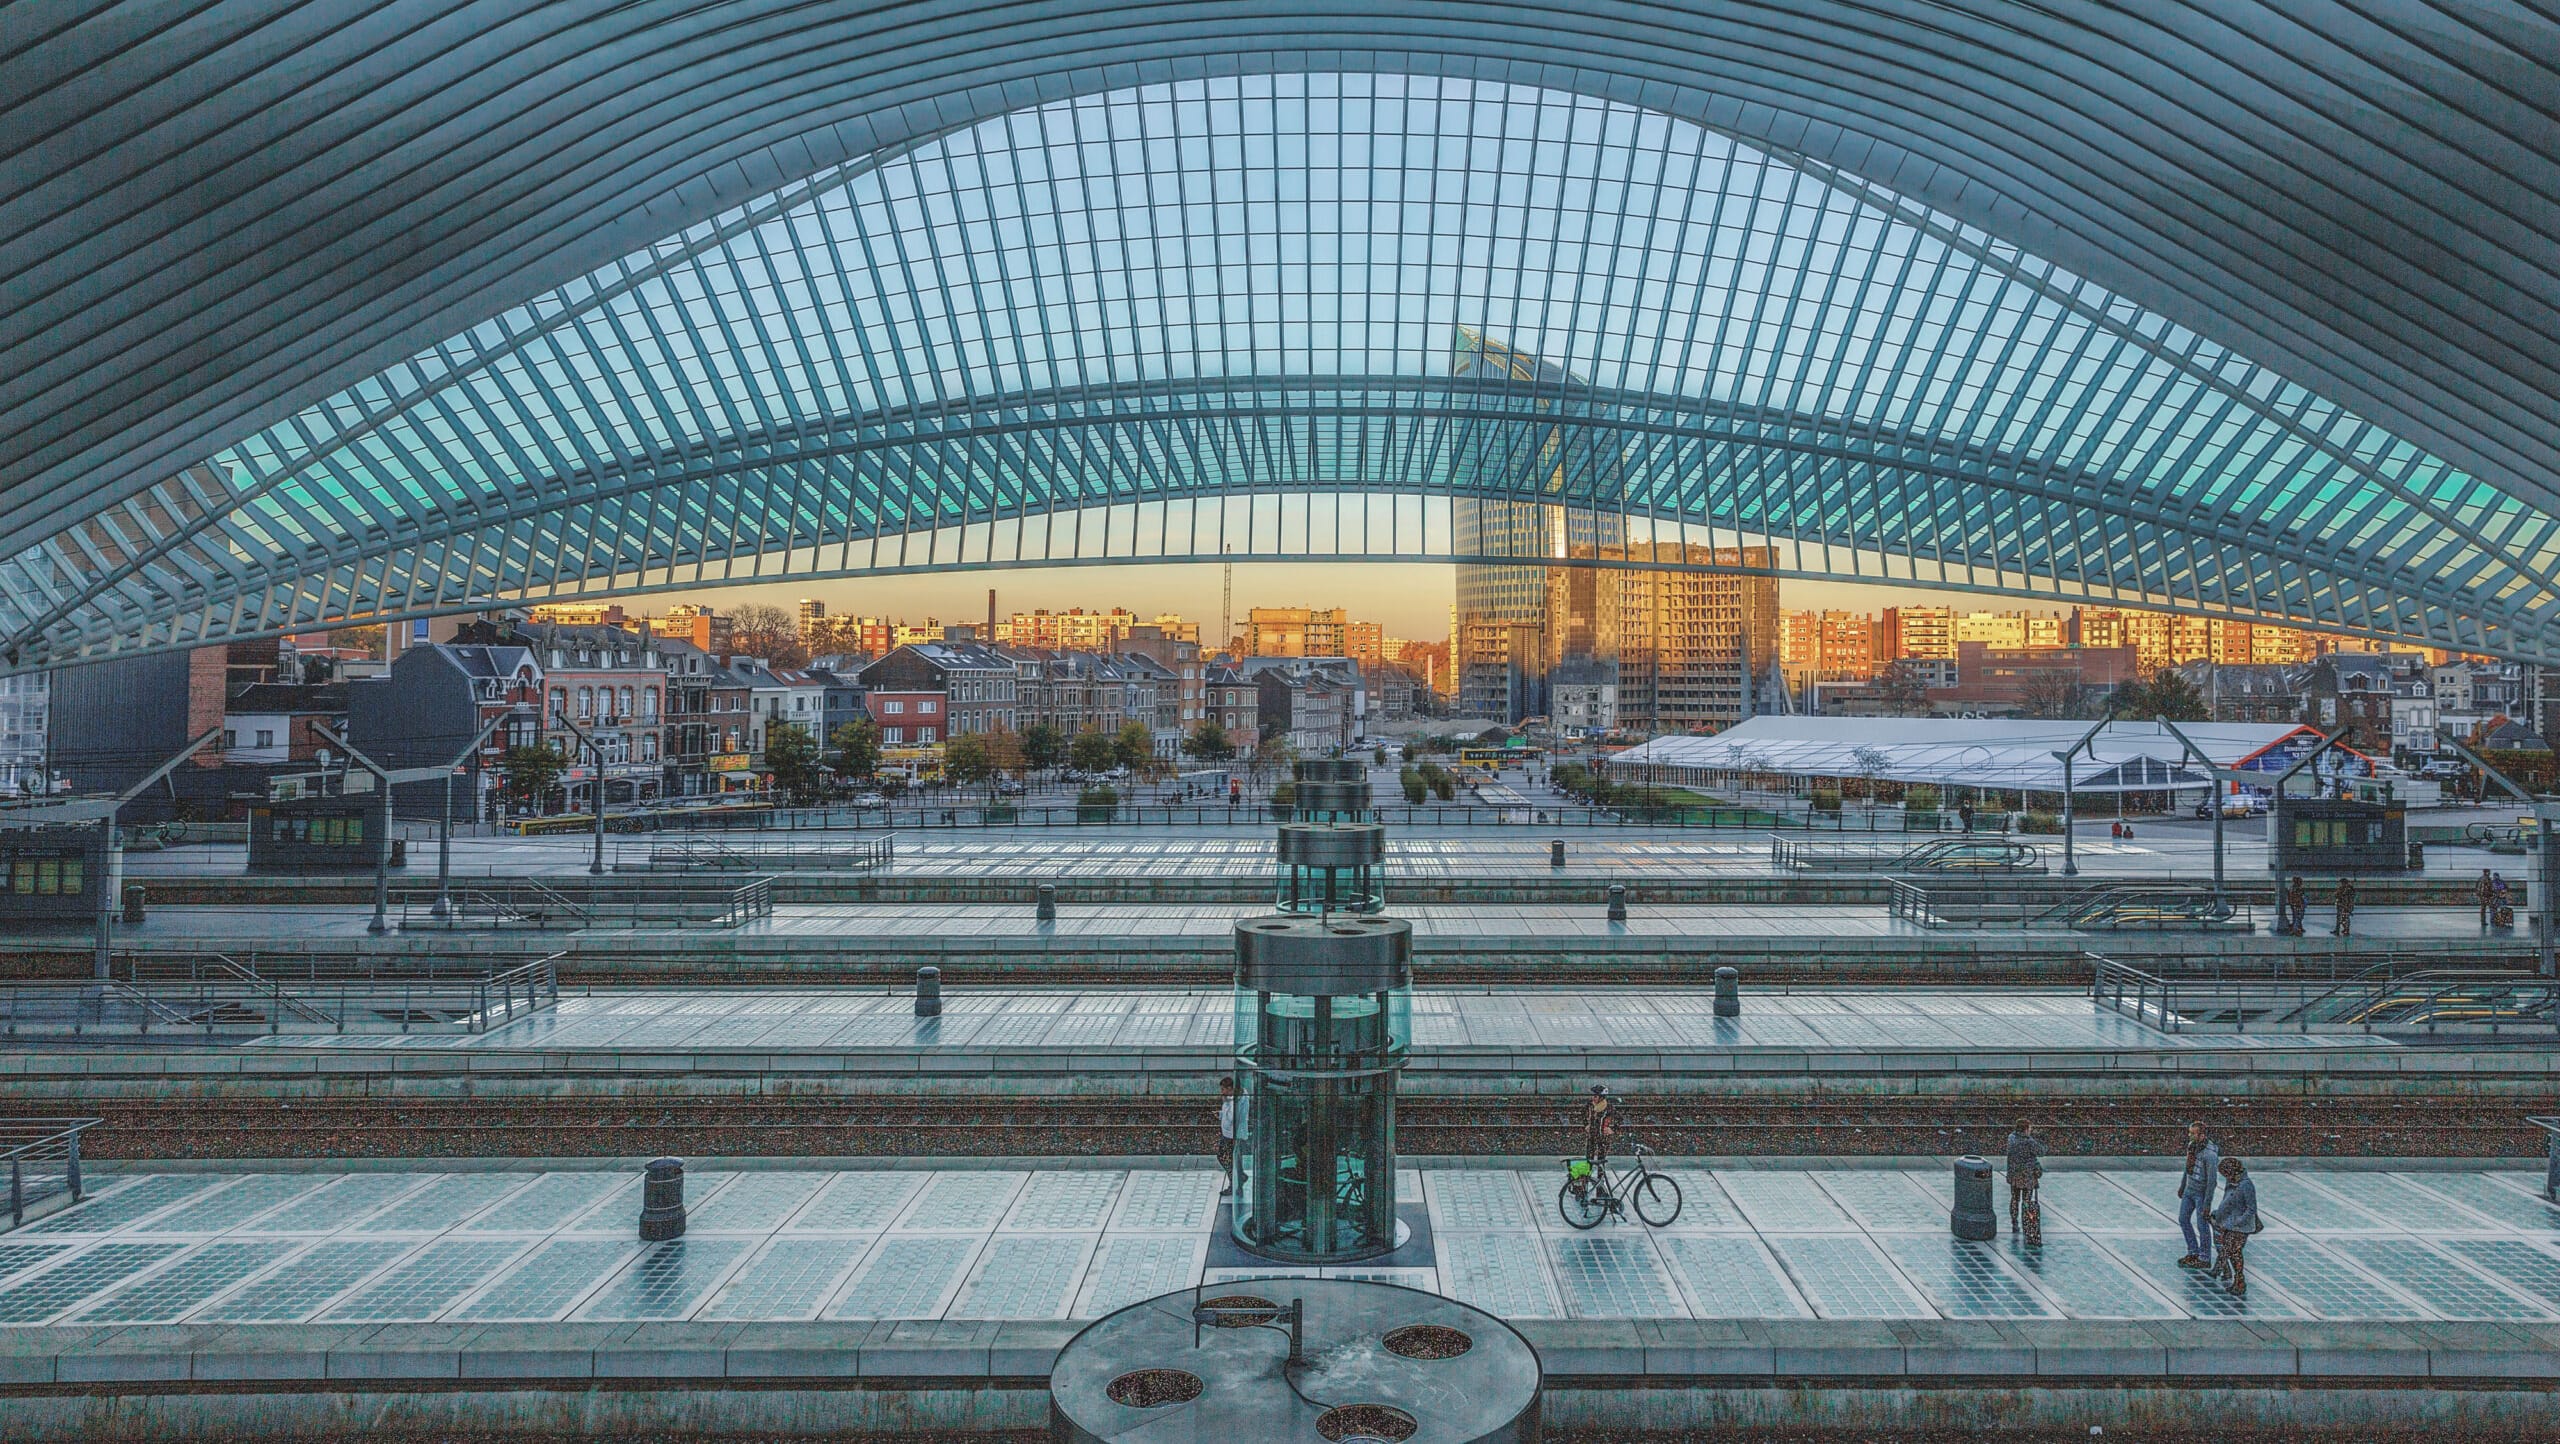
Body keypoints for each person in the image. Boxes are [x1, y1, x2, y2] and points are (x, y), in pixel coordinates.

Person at [2210, 1156, 2263, 1298]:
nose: (2225, 1177)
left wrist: (2239, 1221)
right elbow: (2227, 1200)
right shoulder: (2232, 1182)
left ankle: (2238, 1280)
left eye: (2225, 1174)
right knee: (2232, 1252)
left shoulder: (2246, 1185)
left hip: (2240, 1227)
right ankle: (2236, 1279)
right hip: (2229, 1224)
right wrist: (2218, 1213)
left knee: (2234, 1252)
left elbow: (2251, 1208)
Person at [2175, 1122, 2221, 1271]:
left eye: (2193, 1133)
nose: (2190, 1135)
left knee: (2202, 1225)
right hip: (2190, 1189)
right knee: (2183, 1219)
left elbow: (2212, 1181)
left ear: (2202, 1135)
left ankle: (2204, 1257)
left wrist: (2207, 1203)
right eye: (2190, 1133)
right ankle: (2193, 1251)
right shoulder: (2192, 1146)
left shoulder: (2210, 1155)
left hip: (2201, 1193)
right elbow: (2187, 1168)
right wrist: (2183, 1185)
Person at [2004, 1119, 2044, 1245]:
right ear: (2026, 1129)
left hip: (2014, 1175)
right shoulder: (2029, 1142)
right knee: (2027, 1201)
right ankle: (2027, 1222)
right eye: (2030, 1128)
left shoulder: (2011, 1138)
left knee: (2015, 1198)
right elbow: (2041, 1151)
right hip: (2027, 1177)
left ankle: (2014, 1221)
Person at [1215, 1077, 1240, 1196]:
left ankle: (1234, 1181)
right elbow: (1226, 1116)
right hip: (1226, 1133)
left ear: (1229, 1088)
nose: (1222, 1092)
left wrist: (1226, 1103)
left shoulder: (1233, 1102)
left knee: (1224, 1157)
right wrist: (1220, 1114)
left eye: (1223, 1089)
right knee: (1226, 1157)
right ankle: (1236, 1178)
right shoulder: (1229, 1100)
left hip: (1230, 1135)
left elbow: (1231, 1118)